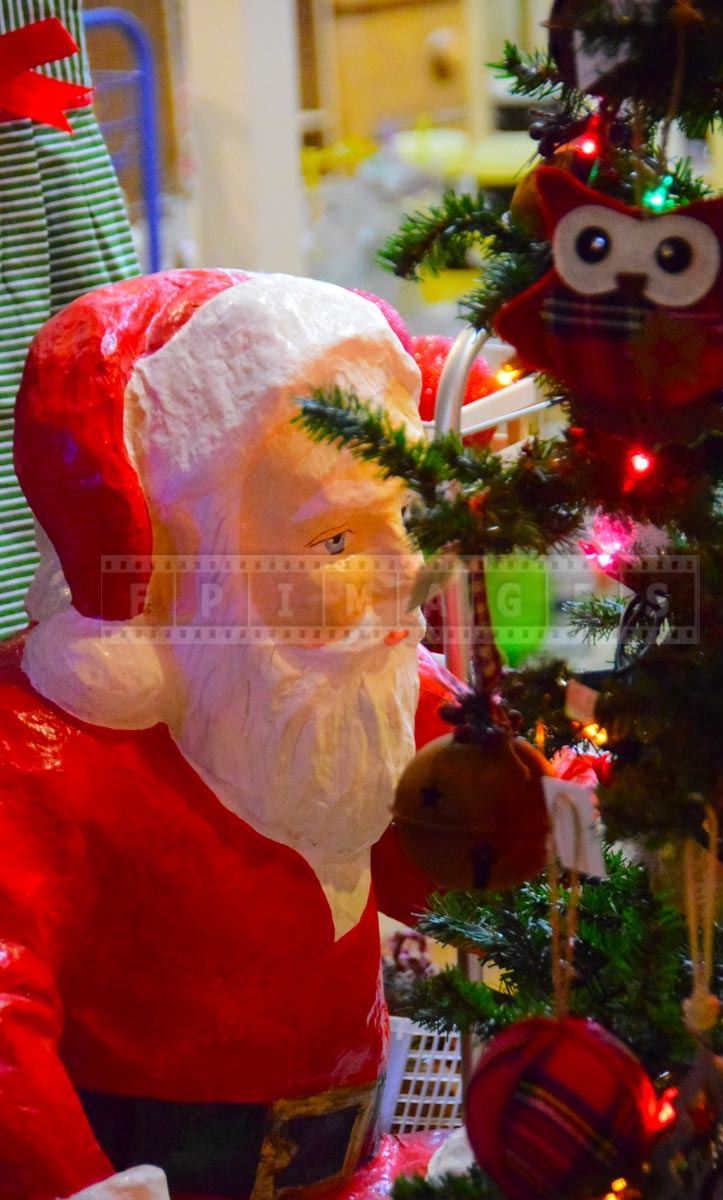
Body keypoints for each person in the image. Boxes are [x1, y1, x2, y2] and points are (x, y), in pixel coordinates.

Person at [1, 270, 456, 1200]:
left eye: (406, 516)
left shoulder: (373, 688)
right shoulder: (43, 750)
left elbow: (448, 875)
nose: (407, 574)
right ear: (179, 557)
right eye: (334, 540)